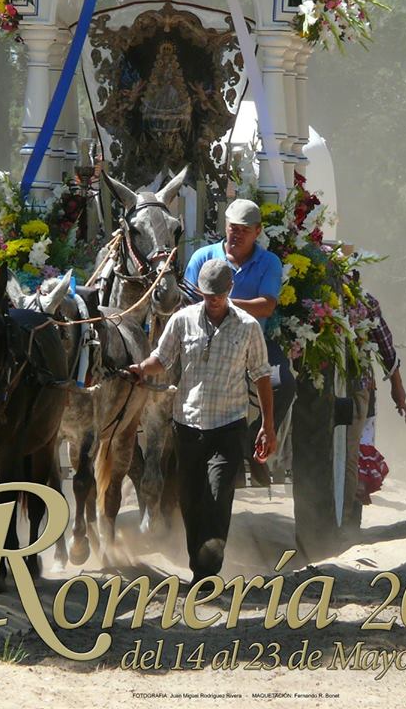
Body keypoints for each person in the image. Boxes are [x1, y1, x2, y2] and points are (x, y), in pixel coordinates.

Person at [129, 259, 276, 586]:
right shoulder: (182, 320)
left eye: (219, 294)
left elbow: (262, 376)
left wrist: (268, 426)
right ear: (200, 291)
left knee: (217, 494)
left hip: (228, 426)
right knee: (190, 499)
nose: (213, 300)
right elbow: (162, 358)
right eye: (208, 295)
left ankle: (209, 569)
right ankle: (199, 566)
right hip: (187, 426)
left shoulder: (248, 326)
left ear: (230, 290)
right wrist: (141, 368)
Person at [184, 198, 295, 485]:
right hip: (205, 340)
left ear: (258, 231)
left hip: (253, 341)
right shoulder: (203, 257)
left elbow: (266, 306)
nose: (237, 234)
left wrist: (222, 303)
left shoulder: (269, 262)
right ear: (225, 227)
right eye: (233, 228)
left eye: (245, 230)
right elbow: (188, 302)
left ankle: (255, 437)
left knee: (284, 382)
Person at [343, 290, 406, 531]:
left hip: (359, 385)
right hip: (328, 387)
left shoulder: (364, 300)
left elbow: (385, 346)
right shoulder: (308, 293)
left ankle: (353, 508)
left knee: (358, 446)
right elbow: (386, 347)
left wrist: (397, 385)